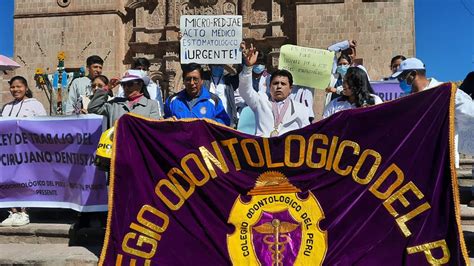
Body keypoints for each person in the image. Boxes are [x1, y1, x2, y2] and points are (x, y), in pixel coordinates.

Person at [391, 57, 474, 166]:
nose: (400, 82)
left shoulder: (445, 93)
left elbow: (470, 115)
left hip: (441, 164)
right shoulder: (407, 100)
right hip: (414, 164)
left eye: (401, 78)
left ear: (412, 75)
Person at [1, 76, 47, 226]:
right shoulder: (7, 107)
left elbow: (44, 125)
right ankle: (13, 212)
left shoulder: (35, 105)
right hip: (9, 152)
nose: (15, 90)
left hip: (28, 152)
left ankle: (25, 212)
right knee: (9, 180)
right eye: (13, 87)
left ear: (26, 88)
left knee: (25, 181)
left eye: (19, 86)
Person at [239, 42, 310, 137]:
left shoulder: (301, 109)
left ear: (290, 89)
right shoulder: (260, 101)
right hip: (263, 149)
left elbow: (307, 134)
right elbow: (245, 91)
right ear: (269, 86)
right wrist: (248, 68)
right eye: (275, 83)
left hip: (288, 150)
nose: (279, 86)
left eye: (283, 84)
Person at [88, 70, 161, 129]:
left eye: (130, 84)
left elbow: (153, 129)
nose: (126, 88)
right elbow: (93, 108)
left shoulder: (151, 105)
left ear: (140, 84)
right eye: (123, 85)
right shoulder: (114, 104)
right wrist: (107, 88)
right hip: (117, 145)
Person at [164, 63, 230, 126]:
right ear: (183, 81)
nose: (192, 83)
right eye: (188, 79)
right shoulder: (172, 101)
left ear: (202, 80)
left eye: (195, 79)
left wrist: (210, 123)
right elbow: (164, 125)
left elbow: (225, 123)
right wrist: (169, 123)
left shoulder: (213, 101)